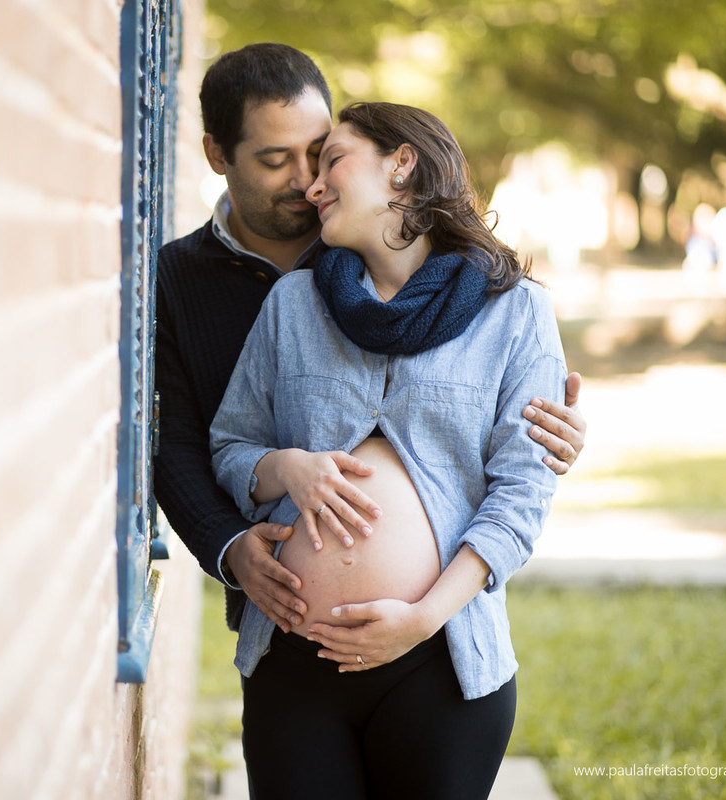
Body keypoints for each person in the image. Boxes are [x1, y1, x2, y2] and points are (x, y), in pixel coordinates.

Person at [153, 43, 587, 646]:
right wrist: (229, 549)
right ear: (217, 155)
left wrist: (550, 431)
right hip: (286, 623)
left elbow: (494, 411)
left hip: (443, 638)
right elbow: (174, 441)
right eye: (277, 160)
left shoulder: (378, 247)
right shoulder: (177, 280)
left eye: (319, 153)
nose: (307, 182)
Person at [209, 101, 566, 798]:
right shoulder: (293, 305)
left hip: (442, 664)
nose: (313, 187)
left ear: (402, 163)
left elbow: (523, 493)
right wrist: (284, 467)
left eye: (333, 160)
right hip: (294, 666)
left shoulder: (517, 312)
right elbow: (230, 444)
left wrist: (420, 620)